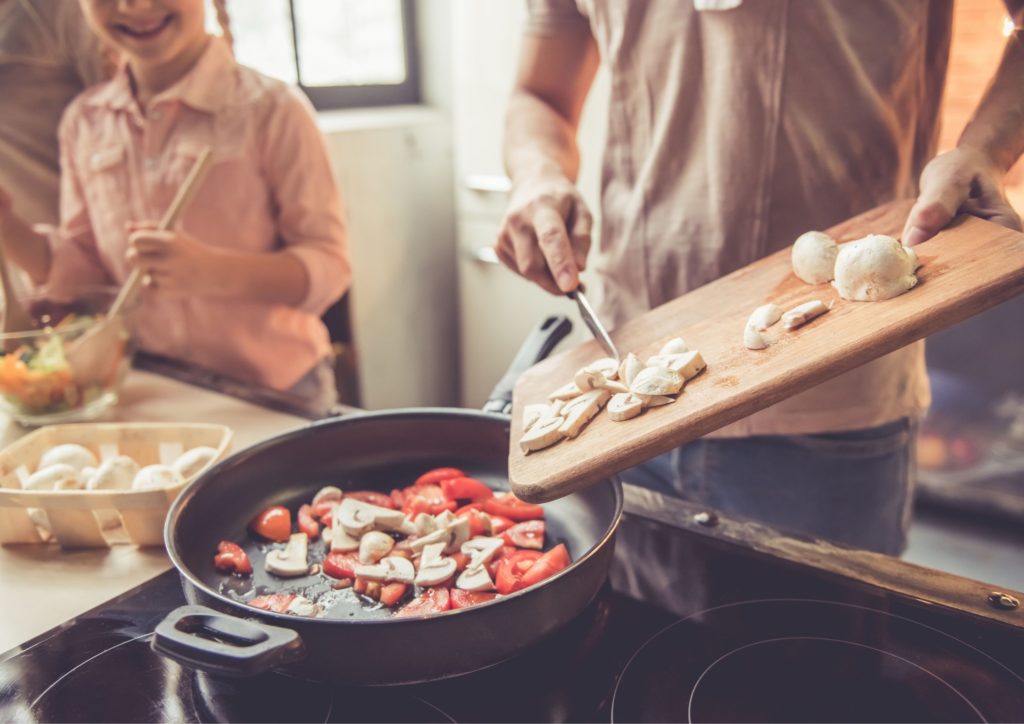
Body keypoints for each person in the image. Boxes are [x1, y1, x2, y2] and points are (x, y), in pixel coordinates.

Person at [497, 0, 1024, 555]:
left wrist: (984, 152)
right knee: (635, 632)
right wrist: (536, 174)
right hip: (625, 380)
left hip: (830, 402)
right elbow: (540, 95)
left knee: (815, 642)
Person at [0, 0, 349, 409]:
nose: (135, 5)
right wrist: (6, 223)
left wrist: (210, 271)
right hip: (156, 387)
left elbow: (329, 267)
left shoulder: (274, 110)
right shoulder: (83, 122)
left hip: (276, 390)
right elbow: (85, 274)